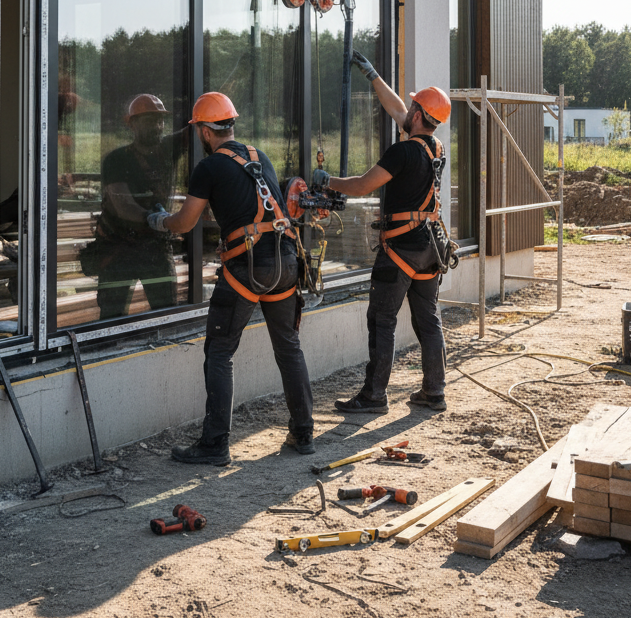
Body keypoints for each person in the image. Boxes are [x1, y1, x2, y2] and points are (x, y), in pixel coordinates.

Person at [148, 92, 314, 465]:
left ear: (205, 131)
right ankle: (303, 434)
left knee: (220, 352)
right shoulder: (258, 157)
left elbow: (185, 222)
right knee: (289, 347)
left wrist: (159, 221)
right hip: (285, 260)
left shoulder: (208, 168)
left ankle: (214, 445)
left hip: (248, 267)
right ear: (230, 124)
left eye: (198, 131)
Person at [317, 51, 452, 414]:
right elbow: (399, 111)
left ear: (418, 116)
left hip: (400, 250)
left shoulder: (402, 152)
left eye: (413, 109)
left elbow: (362, 185)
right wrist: (373, 76)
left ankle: (374, 396)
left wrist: (327, 181)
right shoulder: (435, 148)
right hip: (429, 247)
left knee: (382, 320)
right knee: (428, 320)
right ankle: (434, 392)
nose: (406, 112)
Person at [80, 94, 186, 318]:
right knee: (111, 317)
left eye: (160, 120)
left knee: (166, 313)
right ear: (132, 124)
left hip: (155, 247)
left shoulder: (167, 149)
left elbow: (195, 130)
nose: (157, 126)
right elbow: (123, 206)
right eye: (149, 121)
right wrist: (157, 219)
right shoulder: (117, 160)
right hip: (119, 247)